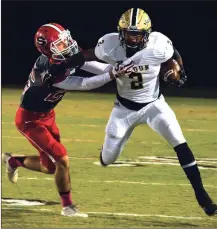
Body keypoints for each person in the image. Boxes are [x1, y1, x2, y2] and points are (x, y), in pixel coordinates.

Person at [90, 8, 216, 216]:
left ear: (146, 34)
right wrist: (68, 63)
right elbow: (87, 55)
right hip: (123, 109)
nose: (132, 38)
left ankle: (202, 195)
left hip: (153, 105)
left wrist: (177, 71)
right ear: (120, 33)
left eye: (137, 34)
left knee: (180, 141)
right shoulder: (109, 46)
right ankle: (106, 151)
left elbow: (172, 55)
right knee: (108, 159)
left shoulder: (158, 44)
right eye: (129, 33)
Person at [2, 23, 133, 217]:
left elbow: (91, 65)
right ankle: (68, 207)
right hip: (30, 121)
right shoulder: (50, 71)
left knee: (51, 167)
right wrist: (112, 75)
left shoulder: (63, 56)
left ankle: (12, 161)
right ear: (48, 49)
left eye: (66, 40)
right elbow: (84, 83)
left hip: (47, 115)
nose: (68, 45)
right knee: (62, 158)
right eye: (61, 44)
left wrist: (118, 70)